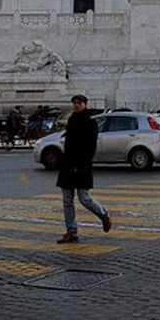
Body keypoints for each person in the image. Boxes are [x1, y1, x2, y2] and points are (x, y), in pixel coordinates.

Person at [57, 95, 111, 244]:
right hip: (68, 166)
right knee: (67, 201)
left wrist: (80, 165)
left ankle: (103, 214)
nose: (76, 105)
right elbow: (68, 144)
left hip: (82, 166)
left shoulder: (90, 122)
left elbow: (90, 147)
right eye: (74, 103)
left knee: (84, 198)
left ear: (85, 104)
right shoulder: (72, 120)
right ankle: (71, 231)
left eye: (79, 103)